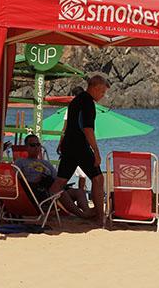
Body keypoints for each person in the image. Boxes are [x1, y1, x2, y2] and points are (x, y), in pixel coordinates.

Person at [49, 75, 111, 224]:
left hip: (69, 146)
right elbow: (88, 129)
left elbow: (68, 126)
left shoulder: (75, 101)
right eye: (102, 91)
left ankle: (45, 209)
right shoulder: (88, 103)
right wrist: (96, 151)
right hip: (79, 147)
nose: (103, 95)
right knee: (98, 178)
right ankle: (99, 216)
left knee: (59, 183)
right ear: (95, 88)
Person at [15, 134, 93, 218]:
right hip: (36, 191)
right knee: (59, 191)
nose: (36, 147)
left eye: (38, 145)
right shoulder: (20, 162)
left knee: (79, 191)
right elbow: (17, 180)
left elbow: (57, 178)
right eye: (33, 145)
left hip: (51, 187)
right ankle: (81, 214)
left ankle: (87, 212)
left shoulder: (46, 163)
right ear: (26, 147)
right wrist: (34, 180)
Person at [57, 85, 87, 191]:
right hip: (82, 144)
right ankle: (81, 193)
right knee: (83, 174)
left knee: (65, 173)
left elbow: (65, 129)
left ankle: (58, 192)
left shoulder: (71, 108)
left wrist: (60, 143)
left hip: (71, 144)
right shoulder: (87, 109)